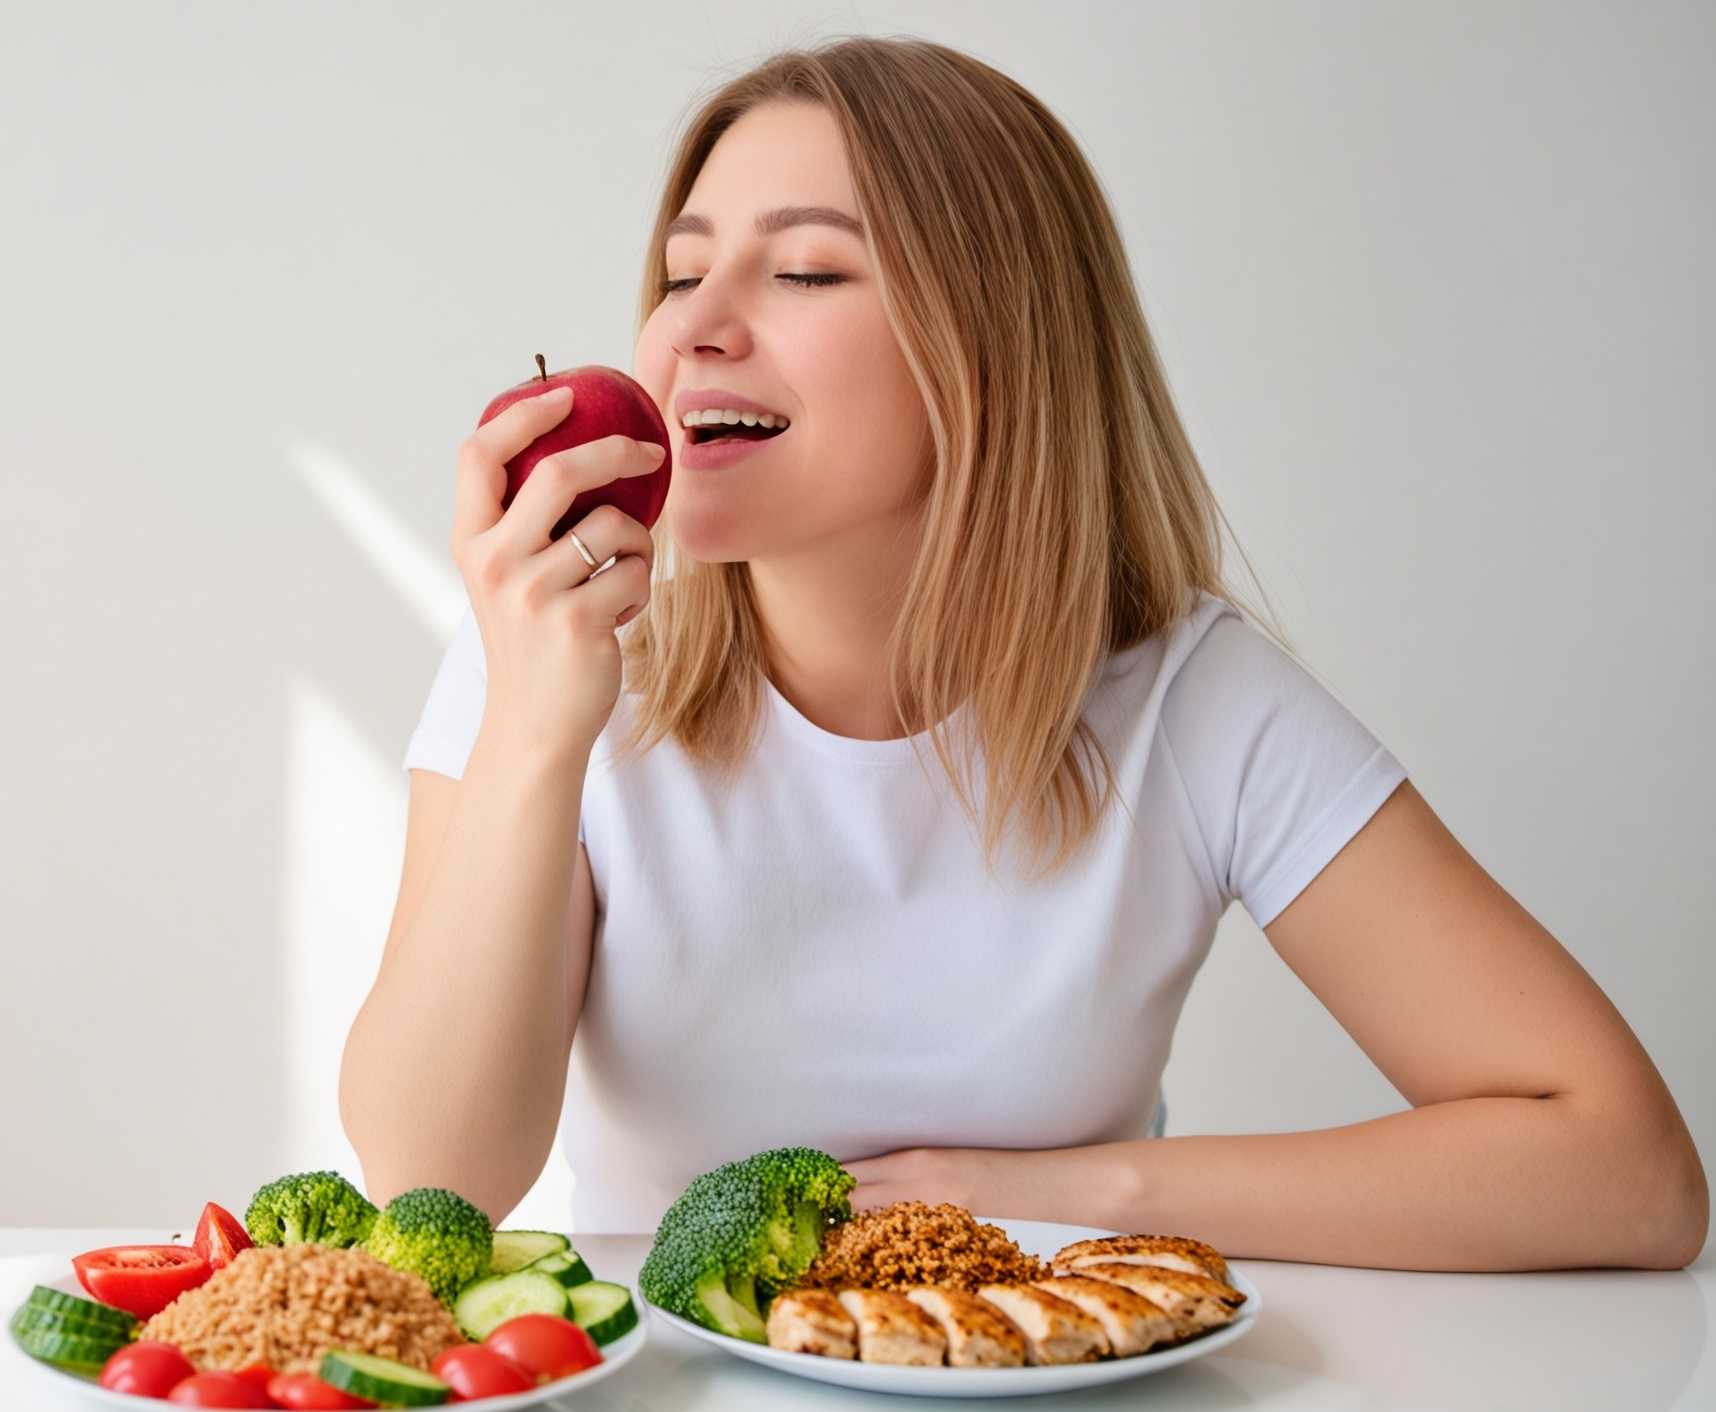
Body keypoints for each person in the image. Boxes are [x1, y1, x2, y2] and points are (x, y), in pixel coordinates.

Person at [339, 36, 1706, 1271]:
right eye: (684, 271)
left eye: (805, 270)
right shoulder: (550, 649)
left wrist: (1069, 1191)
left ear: (991, 344)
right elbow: (429, 1183)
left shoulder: (1193, 700)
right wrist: (535, 731)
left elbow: (1627, 1174)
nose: (693, 326)